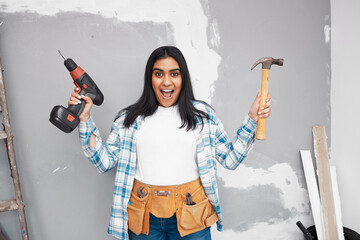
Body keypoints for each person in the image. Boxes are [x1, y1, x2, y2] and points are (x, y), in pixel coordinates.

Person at [68, 46, 272, 240]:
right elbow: (104, 163)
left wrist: (252, 119)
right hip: (143, 214)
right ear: (150, 79)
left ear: (183, 78)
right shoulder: (128, 119)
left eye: (174, 74)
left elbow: (231, 159)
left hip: (192, 211)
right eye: (159, 74)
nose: (166, 82)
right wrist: (85, 120)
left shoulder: (203, 116)